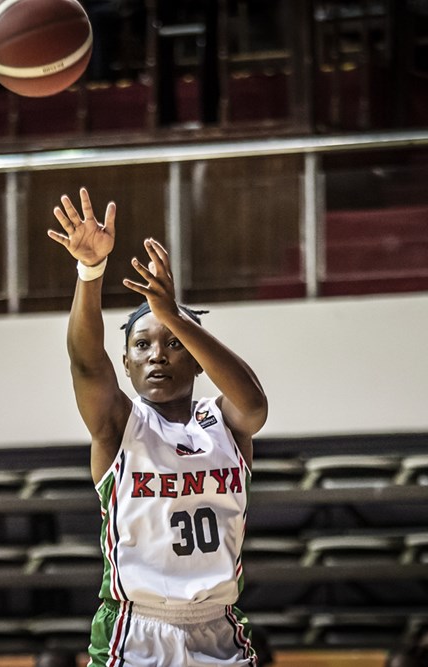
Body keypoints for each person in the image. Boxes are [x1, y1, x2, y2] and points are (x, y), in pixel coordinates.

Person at [46, 188, 270, 665]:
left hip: (219, 627)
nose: (157, 355)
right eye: (142, 346)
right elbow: (85, 365)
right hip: (136, 629)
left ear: (197, 359)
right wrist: (90, 273)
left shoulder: (225, 422)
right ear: (125, 364)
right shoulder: (119, 425)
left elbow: (255, 403)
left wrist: (172, 313)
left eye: (172, 343)